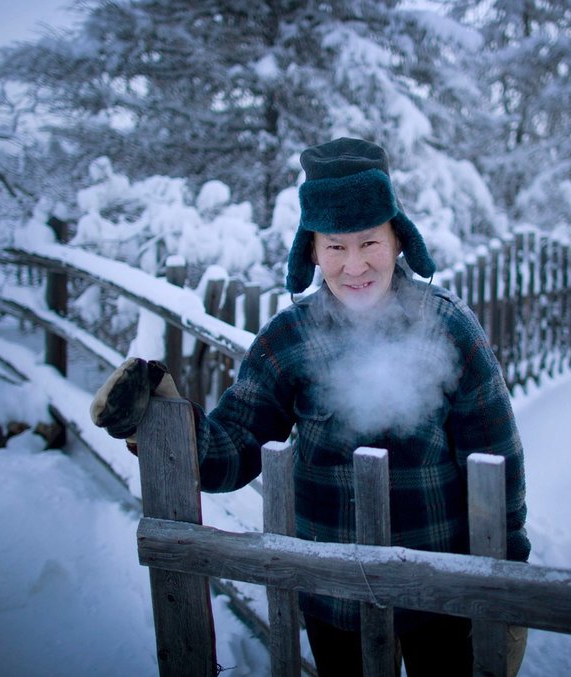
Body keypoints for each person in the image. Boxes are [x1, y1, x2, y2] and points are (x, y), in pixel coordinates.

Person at [91, 137, 529, 675]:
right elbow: (234, 450)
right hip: (332, 594)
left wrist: (511, 582)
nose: (354, 266)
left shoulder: (449, 327)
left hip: (439, 591)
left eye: (369, 242)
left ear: (397, 238)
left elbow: (497, 459)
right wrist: (158, 420)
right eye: (335, 247)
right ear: (313, 250)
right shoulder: (288, 339)